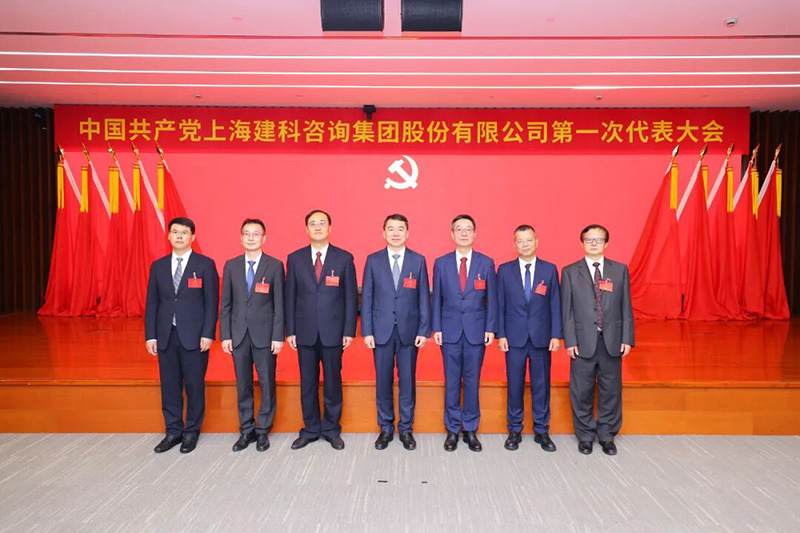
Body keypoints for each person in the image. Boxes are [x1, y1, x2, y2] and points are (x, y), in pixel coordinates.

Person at [285, 209, 357, 451]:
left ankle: (331, 429)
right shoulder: (295, 258)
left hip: (333, 331)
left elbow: (350, 298)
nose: (317, 227)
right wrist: (290, 330)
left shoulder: (344, 258)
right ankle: (310, 429)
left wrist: (349, 330)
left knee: (333, 381)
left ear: (330, 228)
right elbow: (290, 296)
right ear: (306, 229)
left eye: (322, 223)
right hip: (304, 330)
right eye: (313, 223)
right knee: (307, 382)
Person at [145, 217, 219, 454]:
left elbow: (211, 303)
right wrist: (151, 335)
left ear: (192, 237)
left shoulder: (205, 264)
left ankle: (191, 431)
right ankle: (173, 431)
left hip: (195, 337)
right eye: (175, 232)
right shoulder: (158, 266)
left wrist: (208, 333)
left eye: (184, 232)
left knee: (194, 385)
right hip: (166, 335)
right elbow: (152, 303)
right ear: (168, 236)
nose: (179, 236)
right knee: (169, 385)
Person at [561, 224, 634, 456]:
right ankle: (585, 435)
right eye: (589, 240)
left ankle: (607, 435)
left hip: (612, 339)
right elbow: (566, 310)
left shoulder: (619, 270)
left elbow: (626, 306)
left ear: (606, 243)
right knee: (581, 391)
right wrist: (569, 340)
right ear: (582, 243)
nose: (594, 243)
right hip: (582, 341)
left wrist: (627, 337)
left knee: (611, 390)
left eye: (598, 240)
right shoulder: (570, 272)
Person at [361, 214, 430, 451]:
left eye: (400, 229)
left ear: (407, 233)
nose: (396, 233)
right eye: (391, 229)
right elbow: (367, 297)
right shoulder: (373, 260)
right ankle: (386, 428)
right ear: (384, 233)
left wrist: (424, 329)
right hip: (380, 331)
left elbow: (424, 297)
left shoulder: (418, 260)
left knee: (407, 381)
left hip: (409, 331)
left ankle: (406, 428)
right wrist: (367, 331)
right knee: (383, 381)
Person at [432, 214, 497, 452]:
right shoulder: (441, 263)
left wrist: (490, 327)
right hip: (449, 331)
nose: (464, 233)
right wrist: (436, 327)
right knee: (451, 382)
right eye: (459, 229)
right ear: (452, 234)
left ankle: (470, 428)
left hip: (476, 331)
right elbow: (436, 298)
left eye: (468, 229)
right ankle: (452, 429)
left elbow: (493, 299)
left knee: (472, 381)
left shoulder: (486, 263)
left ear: (475, 234)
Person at [220, 218, 284, 452]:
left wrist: (278, 336)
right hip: (238, 335)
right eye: (246, 233)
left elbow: (279, 304)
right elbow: (226, 304)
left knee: (267, 383)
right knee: (243, 384)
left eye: (256, 234)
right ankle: (246, 429)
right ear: (240, 238)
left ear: (264, 238)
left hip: (265, 336)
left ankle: (263, 429)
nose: (251, 238)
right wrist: (225, 335)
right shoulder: (231, 265)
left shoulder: (274, 265)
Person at [497, 225, 562, 452]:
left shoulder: (549, 269)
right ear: (514, 244)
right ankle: (514, 429)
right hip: (513, 338)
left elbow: (555, 304)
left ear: (537, 242)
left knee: (541, 386)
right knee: (514, 386)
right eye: (520, 241)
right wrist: (501, 334)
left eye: (529, 240)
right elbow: (499, 305)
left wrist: (556, 334)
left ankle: (541, 430)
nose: (525, 244)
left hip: (541, 338)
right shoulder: (504, 270)